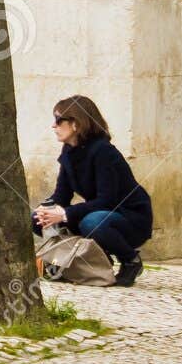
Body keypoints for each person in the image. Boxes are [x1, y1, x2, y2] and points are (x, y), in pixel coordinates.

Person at [33, 95, 152, 287]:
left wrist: (64, 214)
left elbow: (107, 201)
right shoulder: (69, 151)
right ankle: (85, 260)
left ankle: (131, 260)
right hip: (103, 213)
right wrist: (46, 209)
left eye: (58, 120)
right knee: (38, 219)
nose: (53, 126)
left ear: (75, 124)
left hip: (130, 218)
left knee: (92, 222)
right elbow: (61, 196)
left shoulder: (103, 152)